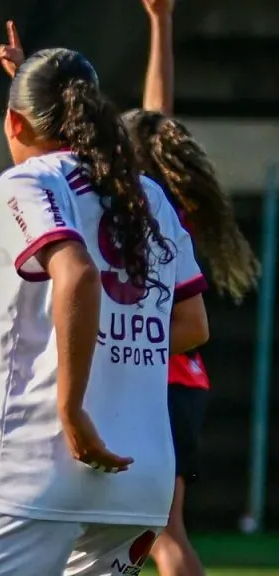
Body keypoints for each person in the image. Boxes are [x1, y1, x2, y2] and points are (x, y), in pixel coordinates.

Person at [0, 47, 210, 575]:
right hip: (141, 478)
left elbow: (78, 272)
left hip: (37, 459)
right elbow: (192, 324)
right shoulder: (147, 195)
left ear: (15, 121)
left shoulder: (27, 182)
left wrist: (72, 409)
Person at [121, 2, 261, 574]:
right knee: (153, 529)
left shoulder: (137, 202)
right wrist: (161, 23)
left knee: (162, 532)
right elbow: (159, 114)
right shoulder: (173, 201)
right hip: (185, 378)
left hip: (153, 374)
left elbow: (155, 115)